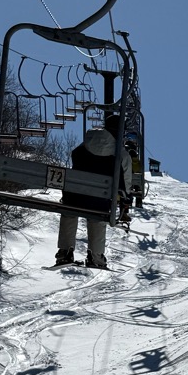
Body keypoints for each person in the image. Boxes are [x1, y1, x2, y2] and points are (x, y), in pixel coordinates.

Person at [54, 114, 132, 269]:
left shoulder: (83, 146)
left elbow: (74, 158)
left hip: (74, 198)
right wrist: (125, 201)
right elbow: (126, 185)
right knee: (99, 213)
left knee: (69, 210)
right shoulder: (121, 154)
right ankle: (96, 256)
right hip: (98, 202)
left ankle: (65, 252)